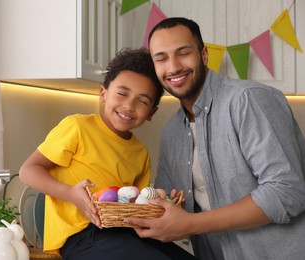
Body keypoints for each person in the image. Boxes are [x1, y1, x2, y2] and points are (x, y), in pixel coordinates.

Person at [124, 17, 305, 259]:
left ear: (204, 54)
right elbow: (172, 207)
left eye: (183, 53)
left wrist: (189, 223)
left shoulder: (248, 100)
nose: (174, 67)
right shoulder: (172, 133)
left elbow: (287, 192)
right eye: (162, 58)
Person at [19, 48, 196, 260]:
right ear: (103, 94)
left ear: (151, 113)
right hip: (82, 236)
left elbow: (135, 205)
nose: (129, 105)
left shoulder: (140, 152)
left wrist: (164, 201)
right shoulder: (78, 127)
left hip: (124, 234)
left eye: (142, 101)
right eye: (122, 93)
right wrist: (72, 195)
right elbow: (28, 171)